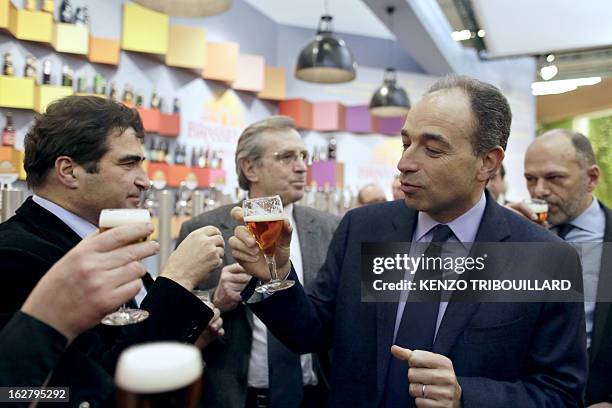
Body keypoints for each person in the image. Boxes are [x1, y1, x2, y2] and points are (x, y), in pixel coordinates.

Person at [228, 76, 587, 407]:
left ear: (487, 163)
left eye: (432, 150)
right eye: (406, 143)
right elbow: (310, 333)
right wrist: (274, 275)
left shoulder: (543, 256)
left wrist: (467, 396)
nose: (404, 163)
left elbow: (560, 393)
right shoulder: (363, 228)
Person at [0, 95, 225, 406]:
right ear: (69, 171)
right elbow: (79, 393)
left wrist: (190, 335)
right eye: (128, 163)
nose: (145, 181)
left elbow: (131, 342)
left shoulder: (106, 240)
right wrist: (177, 281)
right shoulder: (13, 255)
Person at [178, 116, 338, 408]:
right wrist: (216, 299)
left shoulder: (330, 228)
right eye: (287, 157)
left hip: (315, 396)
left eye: (304, 156)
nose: (302, 166)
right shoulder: (202, 229)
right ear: (249, 167)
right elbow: (175, 319)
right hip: (237, 398)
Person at [510, 129, 611, 407]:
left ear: (591, 178)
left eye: (554, 178)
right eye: (531, 179)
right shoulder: (514, 235)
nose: (539, 190)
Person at [0, 223, 158, 387]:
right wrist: (176, 278)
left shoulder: (106, 243)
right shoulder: (13, 251)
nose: (140, 194)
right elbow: (15, 394)